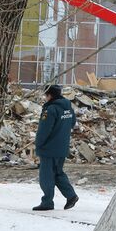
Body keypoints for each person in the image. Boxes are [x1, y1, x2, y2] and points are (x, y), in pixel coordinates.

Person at [33, 84, 78, 212]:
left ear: (50, 95)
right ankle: (71, 196)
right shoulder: (68, 107)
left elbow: (44, 130)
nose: (45, 98)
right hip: (62, 147)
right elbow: (73, 123)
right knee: (58, 173)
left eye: (45, 95)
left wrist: (38, 144)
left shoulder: (50, 110)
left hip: (49, 148)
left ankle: (47, 202)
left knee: (46, 176)